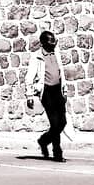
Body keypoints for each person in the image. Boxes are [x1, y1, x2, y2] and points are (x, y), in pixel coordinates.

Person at [26, 30, 68, 162]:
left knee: (62, 122)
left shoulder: (56, 53)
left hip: (58, 90)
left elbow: (61, 72)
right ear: (43, 43)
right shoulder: (36, 57)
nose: (53, 44)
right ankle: (57, 153)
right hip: (46, 92)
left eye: (54, 41)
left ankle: (44, 140)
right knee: (55, 123)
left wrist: (64, 90)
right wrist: (29, 95)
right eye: (51, 41)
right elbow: (30, 76)